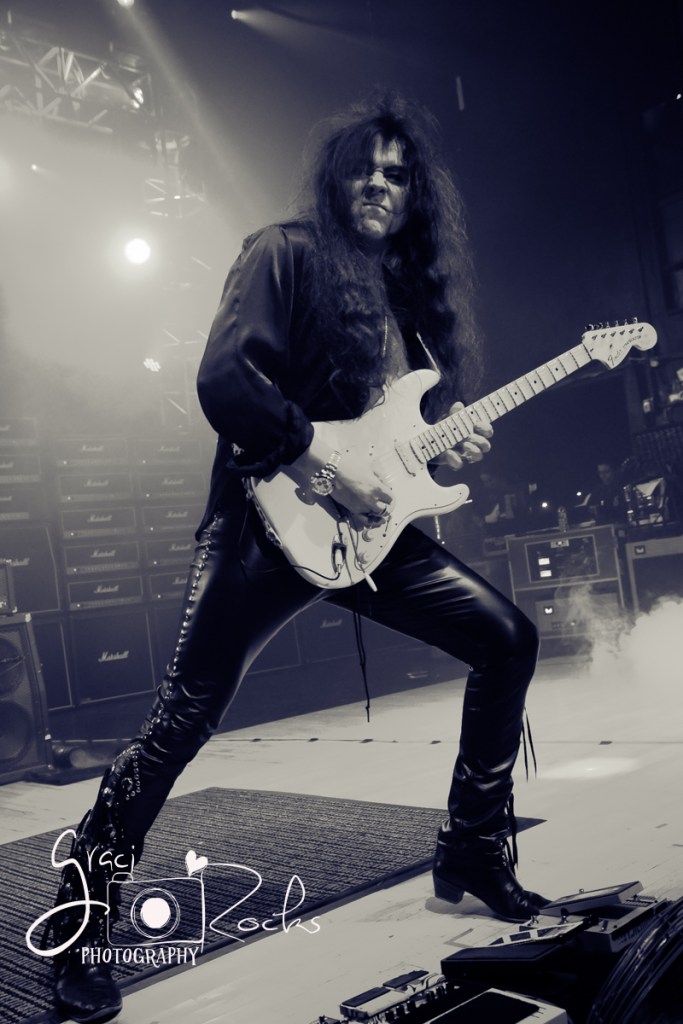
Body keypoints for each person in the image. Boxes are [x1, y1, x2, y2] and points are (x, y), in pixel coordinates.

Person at [42, 94, 547, 1024]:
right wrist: (318, 462)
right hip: (263, 522)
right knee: (180, 722)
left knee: (508, 639)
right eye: (365, 168)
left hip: (370, 534)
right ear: (334, 176)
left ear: (416, 195)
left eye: (398, 175)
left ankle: (472, 848)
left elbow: (393, 445)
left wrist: (445, 454)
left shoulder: (408, 307)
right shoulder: (282, 252)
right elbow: (223, 380)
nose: (380, 186)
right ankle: (80, 924)